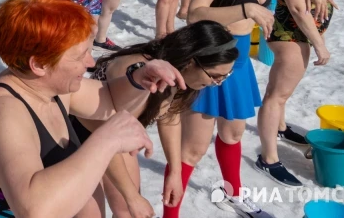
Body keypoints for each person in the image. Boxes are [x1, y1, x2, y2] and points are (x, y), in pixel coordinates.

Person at [0, 0, 184, 218]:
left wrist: (139, 77)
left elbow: (108, 99)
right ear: (39, 64)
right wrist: (106, 141)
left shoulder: (47, 87)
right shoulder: (5, 112)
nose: (90, 62)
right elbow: (34, 210)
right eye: (80, 55)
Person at [182, 0, 332, 217]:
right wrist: (246, 10)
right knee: (193, 150)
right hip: (210, 60)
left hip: (237, 62)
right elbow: (194, 13)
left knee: (233, 135)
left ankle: (233, 193)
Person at [72, 21, 239, 218]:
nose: (217, 83)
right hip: (79, 139)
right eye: (215, 76)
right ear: (191, 61)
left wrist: (175, 171)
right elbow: (105, 135)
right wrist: (132, 197)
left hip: (115, 141)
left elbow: (168, 115)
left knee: (127, 212)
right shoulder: (136, 73)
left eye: (225, 76)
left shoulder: (175, 72)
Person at [256, 0, 334, 187]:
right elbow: (299, 9)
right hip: (290, 34)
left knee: (283, 93)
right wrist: (320, 45)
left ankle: (280, 127)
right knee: (276, 96)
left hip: (299, 34)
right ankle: (268, 158)